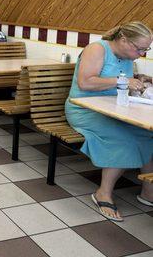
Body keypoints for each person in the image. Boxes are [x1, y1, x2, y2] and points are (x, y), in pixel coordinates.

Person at [65, 21, 153, 222]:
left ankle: (149, 192)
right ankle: (103, 193)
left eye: (145, 49)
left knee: (147, 134)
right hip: (84, 108)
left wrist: (140, 79)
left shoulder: (127, 56)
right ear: (123, 40)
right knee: (125, 137)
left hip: (112, 108)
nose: (141, 54)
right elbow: (85, 82)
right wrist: (123, 81)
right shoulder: (96, 49)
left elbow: (121, 81)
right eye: (139, 48)